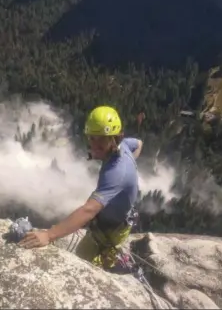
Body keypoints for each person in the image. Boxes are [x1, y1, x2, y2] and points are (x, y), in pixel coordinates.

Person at [18, 105, 143, 272]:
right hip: (108, 222)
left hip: (112, 231)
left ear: (114, 138)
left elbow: (89, 210)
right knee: (84, 258)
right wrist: (131, 166)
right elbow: (139, 143)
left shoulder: (116, 173)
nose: (94, 144)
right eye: (92, 138)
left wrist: (49, 235)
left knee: (90, 267)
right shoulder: (125, 146)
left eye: (101, 139)